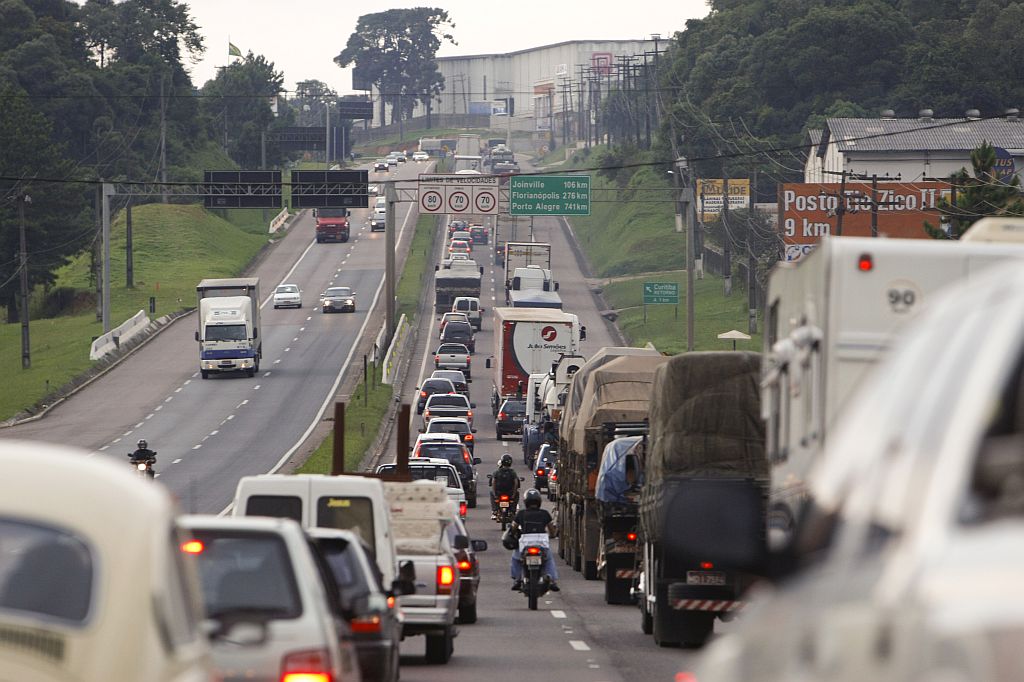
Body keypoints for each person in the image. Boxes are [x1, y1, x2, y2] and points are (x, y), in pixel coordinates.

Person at [509, 488, 559, 592]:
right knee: (549, 559)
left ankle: (517, 579)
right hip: (542, 544)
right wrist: (553, 535)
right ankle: (552, 580)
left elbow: (513, 529)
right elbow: (552, 531)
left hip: (525, 544)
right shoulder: (545, 513)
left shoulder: (521, 514)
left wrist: (512, 534)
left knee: (515, 558)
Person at [490, 454, 520, 519]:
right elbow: (516, 483)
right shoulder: (512, 472)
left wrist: (495, 495)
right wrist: (513, 495)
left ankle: (494, 510)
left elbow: (493, 482)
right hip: (509, 493)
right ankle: (512, 511)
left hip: (499, 493)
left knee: (491, 493)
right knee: (517, 494)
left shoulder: (497, 472)